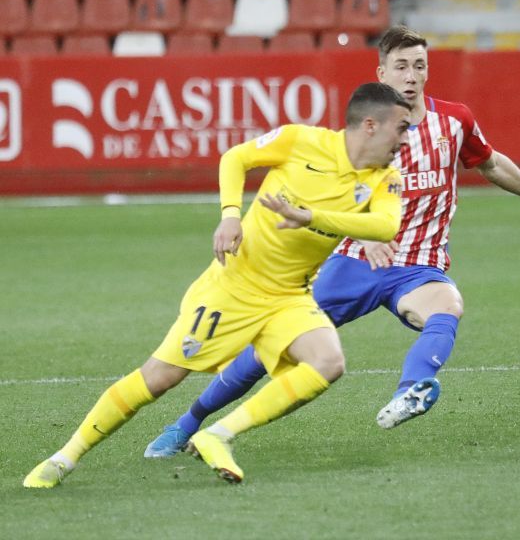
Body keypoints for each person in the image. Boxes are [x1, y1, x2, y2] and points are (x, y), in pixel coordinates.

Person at [144, 25, 520, 458]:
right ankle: (186, 424)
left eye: (420, 66)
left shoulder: (454, 122)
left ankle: (410, 392)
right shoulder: (369, 132)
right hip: (354, 261)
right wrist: (361, 230)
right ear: (382, 74)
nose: (411, 75)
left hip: (418, 265)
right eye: (401, 67)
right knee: (267, 350)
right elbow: (334, 195)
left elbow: (491, 164)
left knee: (447, 307)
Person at [23, 82, 411, 488]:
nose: (406, 138)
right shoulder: (300, 140)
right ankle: (63, 458)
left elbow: (386, 225)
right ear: (370, 124)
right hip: (235, 286)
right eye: (401, 128)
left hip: (288, 296)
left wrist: (309, 215)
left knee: (328, 362)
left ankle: (216, 435)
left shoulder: (386, 178)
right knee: (159, 377)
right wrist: (230, 215)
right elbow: (236, 158)